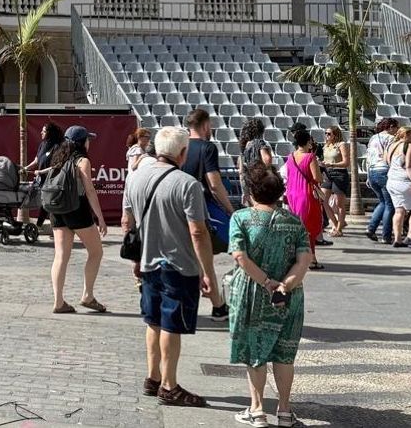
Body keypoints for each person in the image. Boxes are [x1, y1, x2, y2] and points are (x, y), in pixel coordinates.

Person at [123, 126, 218, 409]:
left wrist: (135, 260)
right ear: (183, 153)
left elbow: (128, 223)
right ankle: (169, 384)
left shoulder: (136, 178)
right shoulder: (187, 184)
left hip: (148, 262)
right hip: (179, 265)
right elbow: (198, 233)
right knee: (171, 325)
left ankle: (152, 378)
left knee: (152, 321)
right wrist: (208, 272)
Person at [227, 162, 313, 428]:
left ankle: (257, 410)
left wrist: (266, 282)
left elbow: (239, 255)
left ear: (251, 191)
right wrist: (284, 285)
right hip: (289, 295)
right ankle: (285, 412)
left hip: (253, 292)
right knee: (284, 354)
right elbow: (304, 259)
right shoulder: (294, 221)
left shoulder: (241, 218)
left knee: (256, 352)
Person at [38, 125, 108, 314]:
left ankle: (58, 301)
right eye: (87, 139)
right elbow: (90, 191)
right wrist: (100, 218)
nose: (89, 143)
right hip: (78, 210)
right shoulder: (82, 161)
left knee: (61, 256)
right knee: (96, 252)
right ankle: (88, 295)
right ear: (81, 143)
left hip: (57, 210)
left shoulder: (57, 157)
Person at [179, 108, 232, 319]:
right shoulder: (208, 148)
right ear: (205, 125)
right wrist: (230, 210)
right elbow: (214, 184)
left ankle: (195, 304)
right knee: (206, 259)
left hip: (178, 206)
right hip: (201, 208)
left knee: (190, 258)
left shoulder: (181, 146)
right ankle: (218, 306)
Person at [283, 127, 327, 270]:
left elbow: (289, 176)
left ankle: (297, 257)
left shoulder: (290, 157)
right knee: (310, 228)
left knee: (297, 227)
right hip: (306, 194)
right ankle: (311, 259)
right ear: (307, 142)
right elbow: (317, 178)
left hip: (292, 194)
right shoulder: (310, 157)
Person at [384, 127, 411, 248]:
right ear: (406, 135)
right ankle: (410, 237)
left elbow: (387, 162)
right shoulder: (409, 146)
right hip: (405, 181)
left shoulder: (390, 146)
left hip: (391, 180)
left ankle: (397, 239)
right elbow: (409, 167)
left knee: (399, 210)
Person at [21, 123, 65, 226]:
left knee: (47, 204)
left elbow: (57, 166)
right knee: (42, 202)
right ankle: (44, 226)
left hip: (52, 181)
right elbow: (36, 160)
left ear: (50, 133)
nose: (41, 132)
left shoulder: (57, 146)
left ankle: (41, 225)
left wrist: (41, 172)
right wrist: (25, 168)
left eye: (44, 131)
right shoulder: (42, 144)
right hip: (40, 181)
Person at [364, 117, 400, 244]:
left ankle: (371, 228)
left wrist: (368, 176)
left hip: (373, 171)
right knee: (390, 204)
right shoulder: (392, 139)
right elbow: (391, 157)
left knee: (383, 202)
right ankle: (386, 235)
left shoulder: (373, 138)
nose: (397, 130)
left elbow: (368, 158)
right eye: (396, 127)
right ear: (390, 127)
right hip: (384, 170)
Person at [321, 126, 352, 237]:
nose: (327, 135)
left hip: (339, 173)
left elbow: (346, 162)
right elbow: (327, 160)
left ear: (335, 134)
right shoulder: (326, 146)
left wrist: (332, 164)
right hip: (328, 174)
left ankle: (339, 228)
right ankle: (336, 223)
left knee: (339, 203)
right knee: (323, 200)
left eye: (329, 133)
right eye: (326, 133)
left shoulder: (341, 145)